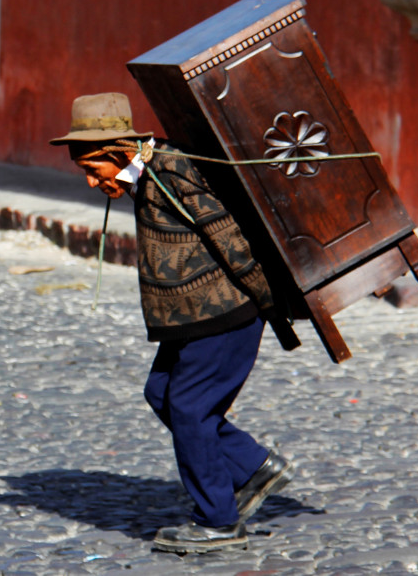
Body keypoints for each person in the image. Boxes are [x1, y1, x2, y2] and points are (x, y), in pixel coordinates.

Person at [50, 92, 294, 554]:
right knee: (160, 392)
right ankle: (253, 467)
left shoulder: (172, 169)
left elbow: (229, 236)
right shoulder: (145, 174)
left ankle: (217, 520)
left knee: (188, 406)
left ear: (116, 153)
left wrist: (267, 302)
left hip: (224, 312)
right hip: (191, 318)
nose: (89, 182)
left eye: (92, 169)